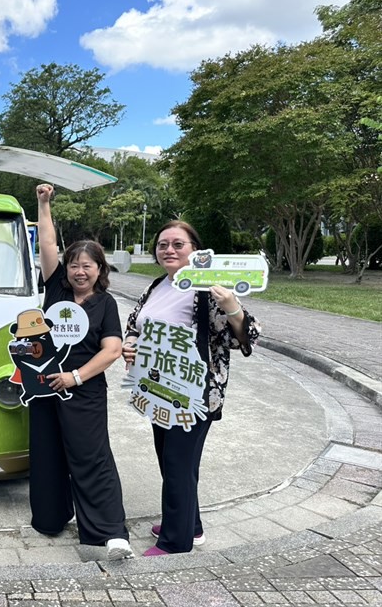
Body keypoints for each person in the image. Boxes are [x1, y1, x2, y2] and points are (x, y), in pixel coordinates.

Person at [122, 221, 261, 556]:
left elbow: (244, 335)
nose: (168, 250)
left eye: (178, 244)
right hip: (157, 389)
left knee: (177, 463)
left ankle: (175, 541)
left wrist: (232, 306)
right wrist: (130, 343)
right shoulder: (157, 285)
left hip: (194, 394)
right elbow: (135, 323)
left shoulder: (205, 289)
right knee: (172, 462)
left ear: (196, 251)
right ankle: (189, 524)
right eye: (162, 244)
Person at [31, 183, 133, 560]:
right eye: (73, 264)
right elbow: (47, 244)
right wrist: (44, 205)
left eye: (87, 265)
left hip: (84, 390)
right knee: (47, 453)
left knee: (92, 457)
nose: (79, 270)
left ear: (100, 269)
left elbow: (111, 350)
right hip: (44, 386)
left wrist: (75, 377)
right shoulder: (55, 290)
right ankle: (51, 519)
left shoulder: (105, 304)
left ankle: (109, 532)